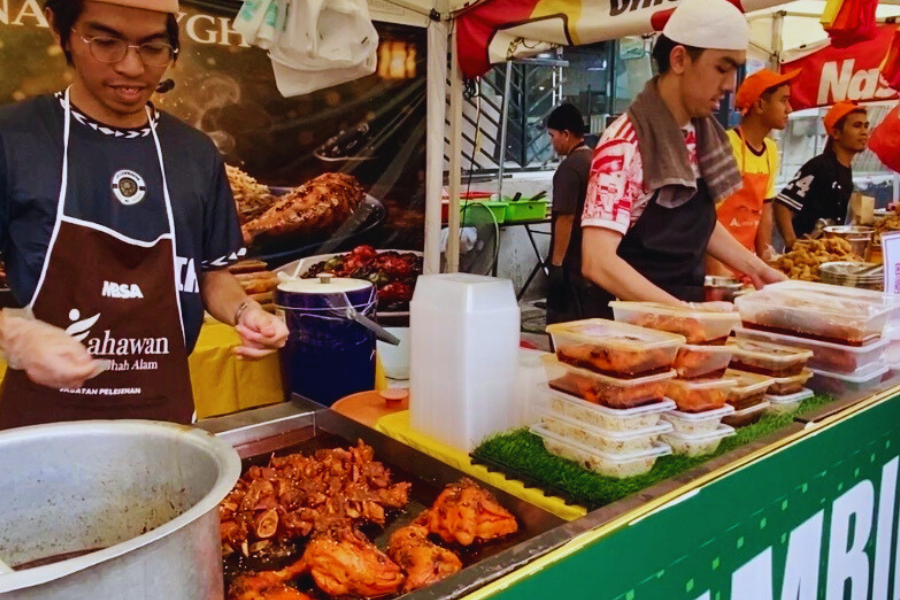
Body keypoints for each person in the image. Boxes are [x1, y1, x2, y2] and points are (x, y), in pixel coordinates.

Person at [0, 0, 288, 429]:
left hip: (163, 417)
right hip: (42, 422)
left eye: (153, 48)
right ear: (64, 35)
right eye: (106, 42)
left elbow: (209, 272)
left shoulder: (193, 153)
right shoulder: (15, 137)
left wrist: (247, 313)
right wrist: (16, 335)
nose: (132, 67)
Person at [580, 0, 785, 317]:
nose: (731, 85)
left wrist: (758, 270)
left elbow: (697, 224)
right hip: (627, 327)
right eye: (722, 68)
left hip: (682, 314)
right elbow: (597, 261)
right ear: (679, 59)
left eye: (735, 70)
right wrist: (683, 314)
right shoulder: (626, 145)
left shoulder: (698, 134)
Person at [707, 68, 798, 276]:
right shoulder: (727, 145)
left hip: (745, 264)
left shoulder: (771, 151)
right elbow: (704, 217)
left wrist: (765, 258)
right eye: (783, 100)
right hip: (716, 267)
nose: (789, 109)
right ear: (760, 104)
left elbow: (765, 211)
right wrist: (715, 269)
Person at [775, 101, 869, 249]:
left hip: (829, 253)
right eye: (857, 126)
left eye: (866, 126)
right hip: (807, 256)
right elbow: (782, 204)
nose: (864, 132)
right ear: (836, 133)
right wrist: (792, 241)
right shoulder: (819, 166)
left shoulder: (846, 170)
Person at [545, 103, 593, 324]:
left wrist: (556, 266)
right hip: (591, 260)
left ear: (566, 134)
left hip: (571, 264)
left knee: (565, 327)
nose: (551, 141)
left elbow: (566, 217)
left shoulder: (569, 168)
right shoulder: (594, 160)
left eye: (552, 135)